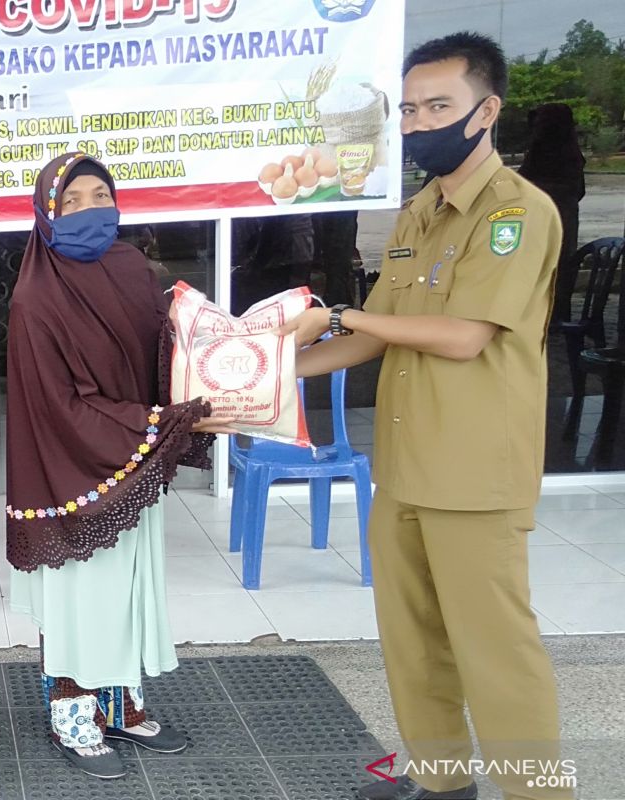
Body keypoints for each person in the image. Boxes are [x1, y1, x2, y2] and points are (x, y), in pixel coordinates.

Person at [276, 34, 570, 800]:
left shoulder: (516, 213)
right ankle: (443, 785)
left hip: (474, 475)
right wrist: (260, 376)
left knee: (496, 654)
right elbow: (370, 334)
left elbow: (465, 337)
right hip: (404, 472)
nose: (418, 122)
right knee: (415, 648)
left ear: (487, 110)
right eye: (408, 109)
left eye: (439, 105)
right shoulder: (416, 215)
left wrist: (336, 313)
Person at [5, 153, 233, 779]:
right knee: (82, 596)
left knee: (130, 590)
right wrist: (159, 425)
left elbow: (165, 354)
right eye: (70, 202)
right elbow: (57, 406)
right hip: (75, 468)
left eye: (99, 196)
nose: (88, 211)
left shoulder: (134, 270)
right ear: (46, 214)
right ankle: (73, 713)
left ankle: (122, 704)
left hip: (134, 460)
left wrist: (220, 366)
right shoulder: (35, 297)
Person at [518, 103, 586, 325]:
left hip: (552, 219)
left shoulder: (548, 152)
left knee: (552, 268)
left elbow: (524, 183)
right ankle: (554, 315)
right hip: (562, 217)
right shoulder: (569, 152)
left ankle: (550, 316)